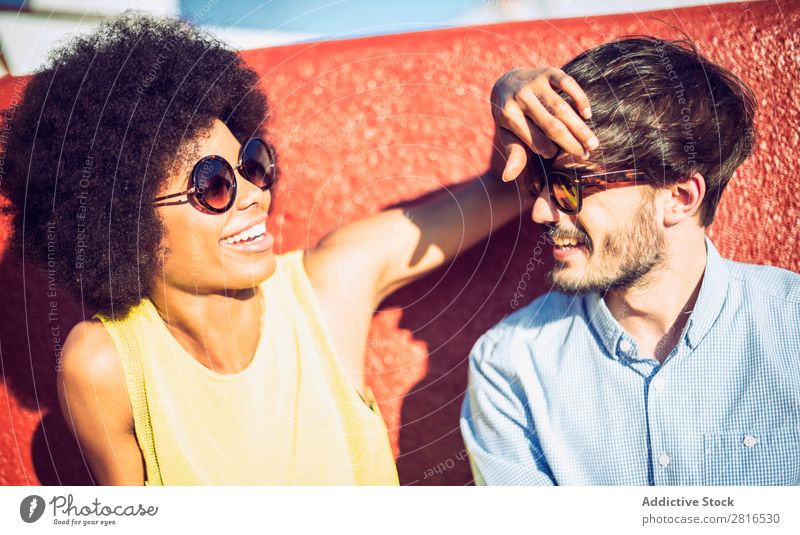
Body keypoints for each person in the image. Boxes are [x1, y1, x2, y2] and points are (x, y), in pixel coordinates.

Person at [0, 13, 589, 485]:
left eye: (253, 165)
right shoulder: (104, 364)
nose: (255, 197)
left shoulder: (328, 287)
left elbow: (506, 188)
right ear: (120, 221)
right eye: (213, 185)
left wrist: (515, 96)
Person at [460, 36, 800, 485]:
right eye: (539, 183)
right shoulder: (510, 367)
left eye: (569, 184)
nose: (541, 211)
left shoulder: (789, 328)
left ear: (679, 198)